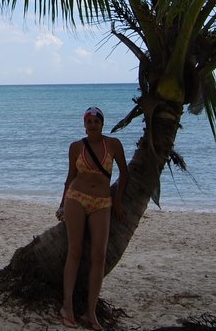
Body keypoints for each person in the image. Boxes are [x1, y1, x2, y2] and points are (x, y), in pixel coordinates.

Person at [55, 105, 128, 330]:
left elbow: (125, 173)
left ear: (102, 124)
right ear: (84, 125)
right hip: (76, 198)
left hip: (102, 203)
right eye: (89, 122)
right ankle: (67, 306)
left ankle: (90, 312)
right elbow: (70, 177)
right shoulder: (76, 147)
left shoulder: (113, 145)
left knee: (99, 254)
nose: (93, 125)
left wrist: (119, 201)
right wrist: (62, 203)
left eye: (96, 121)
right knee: (75, 250)